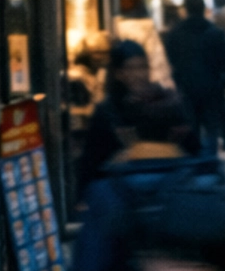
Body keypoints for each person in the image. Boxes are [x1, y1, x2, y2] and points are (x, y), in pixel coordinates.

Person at [77, 43, 194, 199]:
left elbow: (191, 148)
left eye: (143, 67)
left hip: (166, 195)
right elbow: (91, 161)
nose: (139, 74)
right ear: (118, 73)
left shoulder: (166, 104)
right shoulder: (106, 112)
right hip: (121, 199)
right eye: (131, 68)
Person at [162, 0, 225, 156]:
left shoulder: (175, 34)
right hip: (211, 89)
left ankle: (194, 163)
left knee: (191, 130)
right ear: (203, 9)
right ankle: (209, 164)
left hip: (185, 89)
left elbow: (170, 61)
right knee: (211, 130)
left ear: (186, 10)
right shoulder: (215, 33)